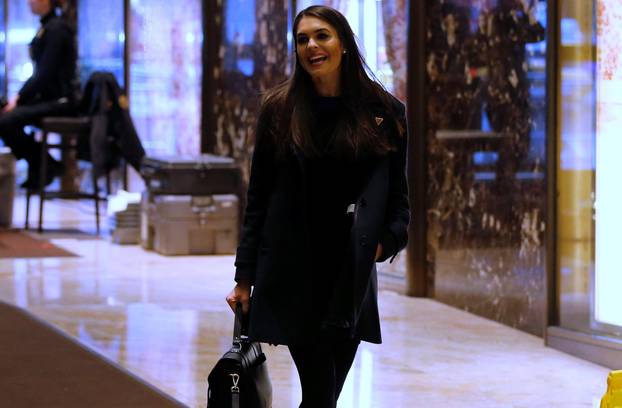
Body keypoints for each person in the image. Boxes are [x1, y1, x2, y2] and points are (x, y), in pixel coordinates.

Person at [226, 6, 410, 407]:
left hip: (350, 280)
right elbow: (258, 199)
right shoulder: (279, 111)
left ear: (343, 43)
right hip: (293, 274)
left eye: (322, 35)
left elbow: (399, 205)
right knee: (319, 390)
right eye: (302, 39)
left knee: (323, 396)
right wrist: (244, 278)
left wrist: (379, 247)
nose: (311, 46)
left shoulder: (385, 114)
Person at [0, 0, 79, 189]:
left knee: (5, 122)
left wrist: (19, 99)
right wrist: (18, 98)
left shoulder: (57, 29)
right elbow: (39, 74)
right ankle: (42, 166)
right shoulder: (46, 27)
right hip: (46, 99)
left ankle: (45, 165)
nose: (29, 2)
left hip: (62, 102)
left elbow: (45, 74)